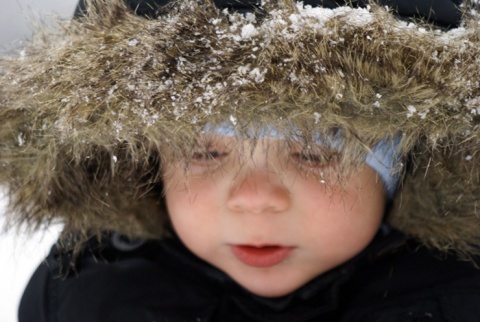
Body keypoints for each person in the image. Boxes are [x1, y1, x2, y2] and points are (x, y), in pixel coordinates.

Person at [1, 0, 480, 320]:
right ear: (144, 162)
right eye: (204, 151)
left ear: (412, 163)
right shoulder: (85, 295)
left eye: (315, 151)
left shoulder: (461, 297)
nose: (253, 198)